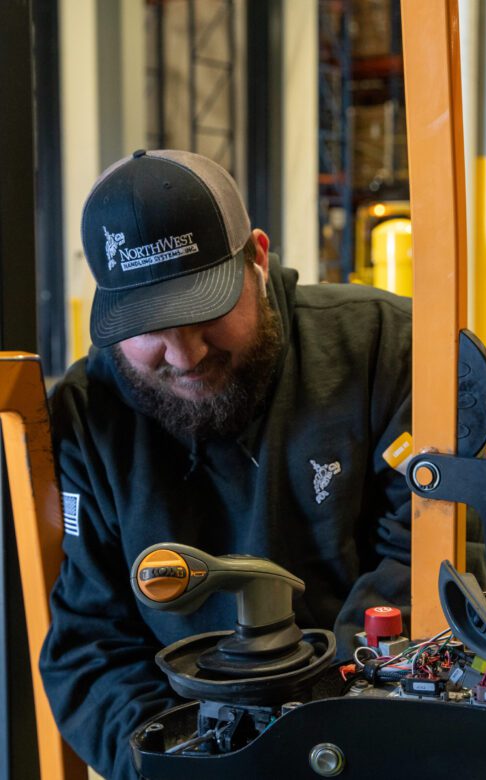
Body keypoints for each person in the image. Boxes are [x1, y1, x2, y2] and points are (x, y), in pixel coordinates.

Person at [39, 149, 412, 779]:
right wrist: (185, 765)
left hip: (372, 737)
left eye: (203, 307)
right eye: (149, 326)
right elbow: (90, 649)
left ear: (258, 259)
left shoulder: (381, 348)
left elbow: (422, 565)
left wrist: (317, 743)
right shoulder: (87, 416)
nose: (184, 357)